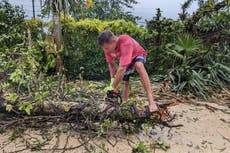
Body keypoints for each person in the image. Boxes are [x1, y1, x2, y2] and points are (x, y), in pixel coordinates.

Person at [98, 30, 158, 112]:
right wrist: (112, 82)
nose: (106, 50)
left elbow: (122, 68)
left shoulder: (125, 41)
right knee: (126, 81)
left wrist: (112, 87)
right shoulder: (107, 48)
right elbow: (111, 65)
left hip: (138, 54)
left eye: (107, 48)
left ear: (114, 41)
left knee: (139, 65)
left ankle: (151, 101)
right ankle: (124, 103)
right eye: (105, 48)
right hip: (125, 60)